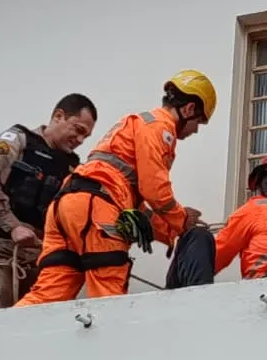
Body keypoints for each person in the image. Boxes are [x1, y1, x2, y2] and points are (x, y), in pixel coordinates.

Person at [14, 70, 213, 306]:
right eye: (198, 122)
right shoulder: (160, 128)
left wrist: (170, 232)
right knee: (109, 297)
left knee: (47, 295)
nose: (196, 130)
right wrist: (182, 220)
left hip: (68, 206)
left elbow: (137, 205)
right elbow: (155, 190)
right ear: (189, 109)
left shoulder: (135, 128)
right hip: (96, 208)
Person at [0, 93, 98, 311]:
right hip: (2, 254)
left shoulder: (74, 168)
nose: (80, 140)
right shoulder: (17, 141)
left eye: (86, 136)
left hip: (42, 262)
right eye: (78, 130)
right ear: (58, 116)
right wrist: (13, 226)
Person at [164, 149, 267, 289]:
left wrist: (185, 235)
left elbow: (215, 258)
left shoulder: (257, 208)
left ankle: (187, 307)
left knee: (197, 237)